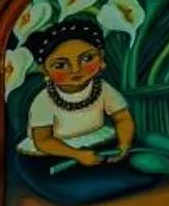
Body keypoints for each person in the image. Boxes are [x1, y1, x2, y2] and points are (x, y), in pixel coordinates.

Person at [17, 16, 135, 167]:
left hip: (97, 145)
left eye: (87, 58)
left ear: (101, 57)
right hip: (52, 155)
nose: (76, 70)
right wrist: (77, 155)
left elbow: (122, 118)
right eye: (60, 65)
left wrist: (124, 144)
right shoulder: (43, 100)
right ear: (44, 70)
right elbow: (43, 140)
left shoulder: (102, 87)